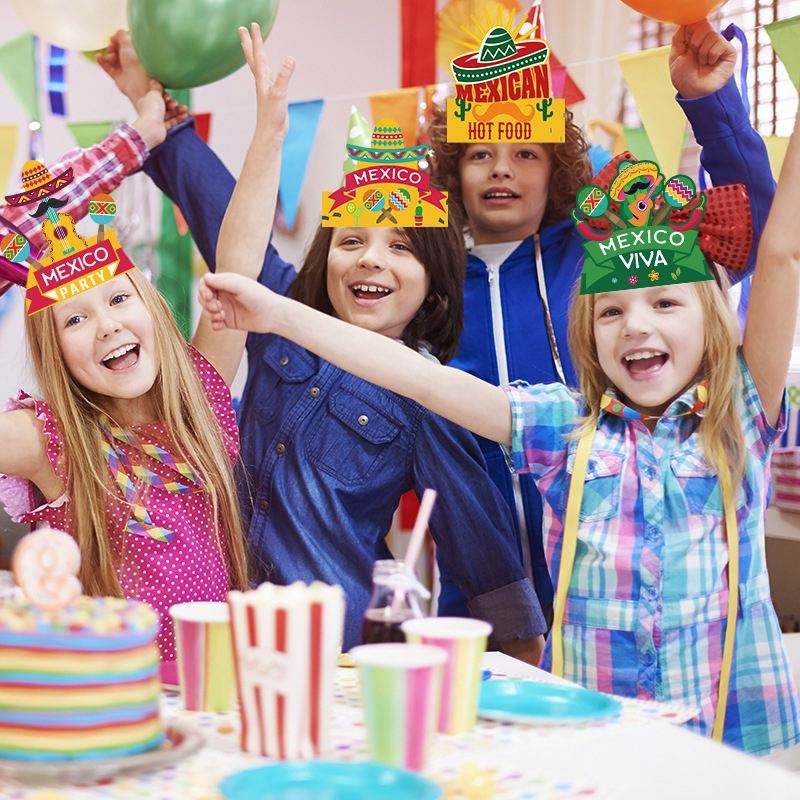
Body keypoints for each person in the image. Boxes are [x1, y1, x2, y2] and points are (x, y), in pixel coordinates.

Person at [197, 95, 800, 756]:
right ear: (587, 332)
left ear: (712, 318)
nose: (636, 325)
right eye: (611, 311)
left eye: (665, 303)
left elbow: (782, 255)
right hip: (595, 732)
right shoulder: (563, 425)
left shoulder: (739, 416)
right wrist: (278, 314)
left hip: (728, 732)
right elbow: (421, 379)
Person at [100, 25, 547, 658]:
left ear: (435, 288)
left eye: (401, 247)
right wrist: (161, 120)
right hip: (217, 621)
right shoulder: (279, 312)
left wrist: (519, 650)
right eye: (351, 241)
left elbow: (480, 545)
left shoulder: (429, 397)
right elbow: (225, 216)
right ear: (325, 259)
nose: (371, 259)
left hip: (330, 648)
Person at [427, 20, 777, 622]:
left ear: (558, 169)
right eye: (480, 153)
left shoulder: (603, 253)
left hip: (612, 588)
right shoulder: (428, 284)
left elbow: (749, 231)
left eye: (526, 153)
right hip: (476, 601)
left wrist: (711, 103)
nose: (501, 170)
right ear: (454, 170)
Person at [0, 85, 251, 681]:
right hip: (104, 698)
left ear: (154, 310)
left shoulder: (199, 400)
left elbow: (242, 261)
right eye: (75, 320)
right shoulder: (49, 438)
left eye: (118, 299)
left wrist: (269, 128)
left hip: (215, 693)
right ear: (56, 354)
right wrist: (135, 139)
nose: (107, 325)